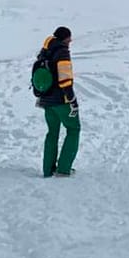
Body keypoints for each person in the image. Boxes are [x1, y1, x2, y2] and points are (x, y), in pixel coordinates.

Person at [32, 26, 79, 177]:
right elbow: (65, 79)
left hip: (46, 99)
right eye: (69, 38)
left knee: (52, 132)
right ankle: (64, 169)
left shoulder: (45, 51)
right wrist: (71, 99)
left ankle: (48, 170)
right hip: (61, 100)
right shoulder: (62, 52)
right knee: (73, 129)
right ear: (65, 38)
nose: (71, 41)